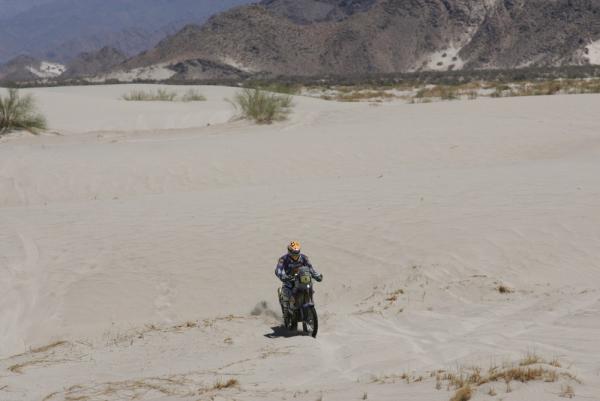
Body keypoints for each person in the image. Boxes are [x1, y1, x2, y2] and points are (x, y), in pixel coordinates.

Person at [275, 241, 323, 318]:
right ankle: (286, 312)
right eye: (293, 252)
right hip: (289, 280)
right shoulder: (283, 259)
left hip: (302, 279)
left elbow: (310, 268)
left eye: (297, 252)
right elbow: (278, 270)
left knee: (309, 287)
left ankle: (310, 303)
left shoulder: (304, 258)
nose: (295, 254)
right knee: (286, 293)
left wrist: (317, 276)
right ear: (289, 251)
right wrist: (283, 276)